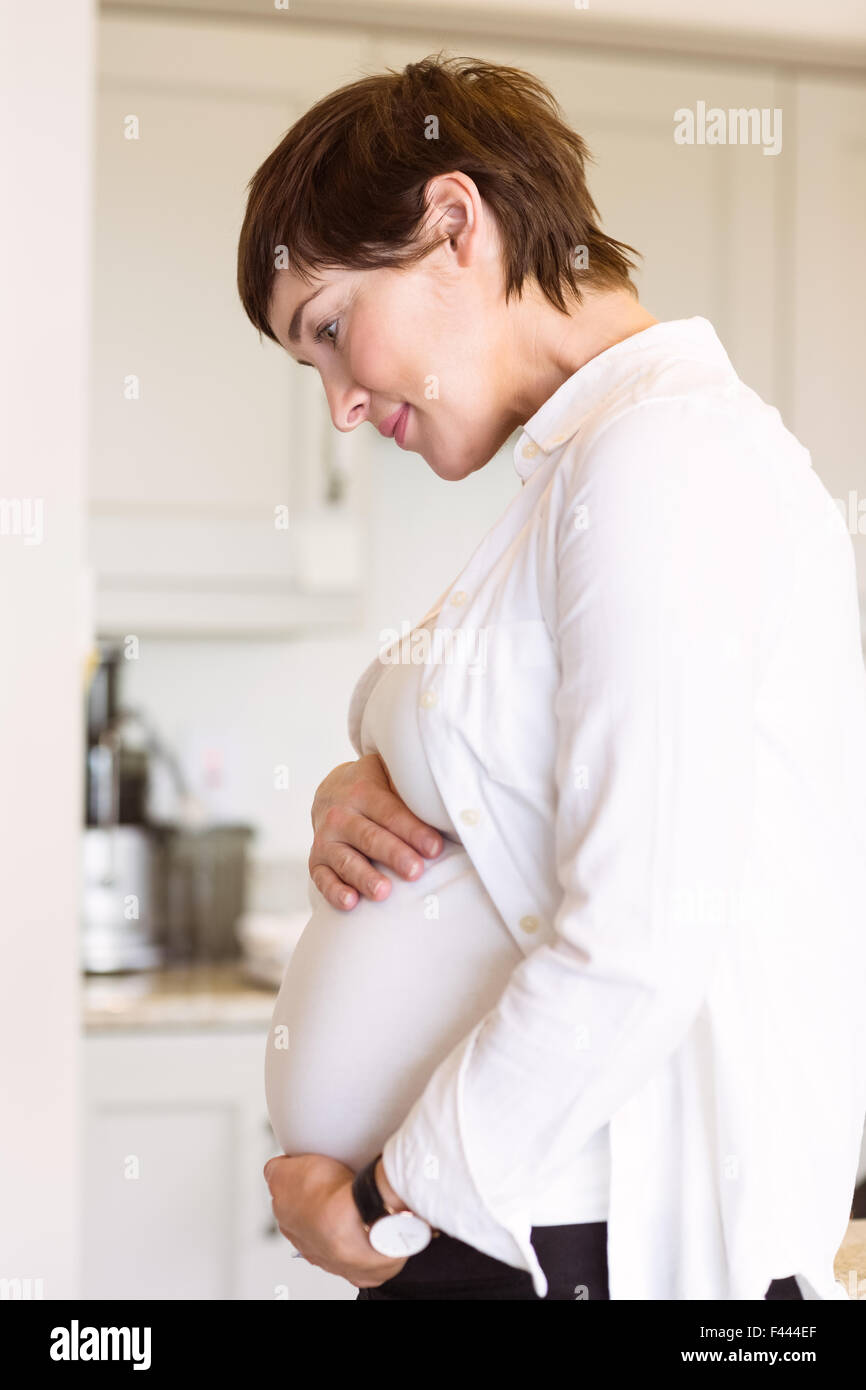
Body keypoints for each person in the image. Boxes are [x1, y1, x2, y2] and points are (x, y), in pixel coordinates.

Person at [240, 54, 866, 1300]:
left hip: (582, 1239)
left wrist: (384, 1203)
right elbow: (456, 712)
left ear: (453, 226)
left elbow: (636, 938)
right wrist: (351, 781)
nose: (341, 407)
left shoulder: (664, 460)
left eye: (327, 328)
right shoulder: (587, 466)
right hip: (532, 1227)